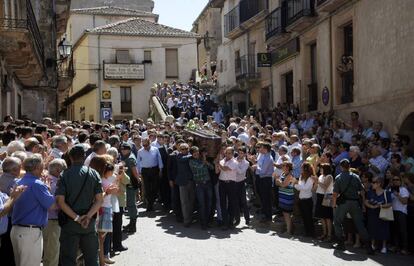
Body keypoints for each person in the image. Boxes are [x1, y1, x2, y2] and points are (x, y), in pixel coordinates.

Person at [56, 145, 103, 266]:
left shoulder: (64, 174)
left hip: (70, 223)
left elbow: (60, 201)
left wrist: (77, 218)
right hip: (89, 223)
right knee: (92, 259)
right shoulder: (94, 174)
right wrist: (87, 216)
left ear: (70, 158)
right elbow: (99, 200)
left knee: (68, 259)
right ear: (84, 157)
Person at [11, 154, 55, 266]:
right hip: (29, 233)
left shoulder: (19, 182)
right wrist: (48, 190)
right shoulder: (38, 184)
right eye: (41, 168)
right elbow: (52, 205)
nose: (42, 170)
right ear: (37, 168)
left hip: (19, 231)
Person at [332, 159, 374, 254]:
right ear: (349, 166)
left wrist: (334, 205)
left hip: (343, 203)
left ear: (341, 167)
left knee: (337, 222)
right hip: (355, 203)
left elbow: (335, 194)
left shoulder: (339, 177)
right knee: (360, 224)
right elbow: (362, 191)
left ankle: (341, 244)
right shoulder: (356, 177)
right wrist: (363, 204)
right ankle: (369, 247)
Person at [90, 155, 119, 266]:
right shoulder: (97, 179)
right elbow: (97, 197)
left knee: (101, 239)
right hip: (99, 210)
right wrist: (107, 192)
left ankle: (101, 261)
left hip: (103, 209)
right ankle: (101, 262)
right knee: (100, 239)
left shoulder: (100, 178)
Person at [43, 159, 67, 266]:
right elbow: (52, 205)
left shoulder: (48, 181)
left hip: (49, 221)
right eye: (64, 169)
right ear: (58, 170)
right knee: (51, 255)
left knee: (50, 254)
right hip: (52, 222)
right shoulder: (54, 184)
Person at [365, 177, 392, 254]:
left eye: (373, 182)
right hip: (372, 213)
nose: (372, 184)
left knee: (384, 228)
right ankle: (373, 244)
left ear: (379, 183)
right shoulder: (370, 192)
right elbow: (366, 201)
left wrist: (380, 206)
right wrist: (371, 206)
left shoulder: (386, 192)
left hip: (383, 213)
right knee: (372, 228)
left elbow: (390, 203)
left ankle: (384, 246)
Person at [188, 146, 213, 229]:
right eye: (194, 153)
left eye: (197, 152)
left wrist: (206, 161)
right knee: (202, 204)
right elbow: (200, 167)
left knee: (209, 203)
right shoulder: (191, 161)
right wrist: (204, 159)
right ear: (192, 154)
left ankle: (208, 220)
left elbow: (211, 167)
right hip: (199, 184)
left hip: (208, 183)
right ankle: (203, 223)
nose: (196, 154)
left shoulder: (202, 159)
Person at [137, 138, 163, 212]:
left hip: (154, 170)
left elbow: (159, 159)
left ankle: (152, 201)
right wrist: (139, 172)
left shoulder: (155, 149)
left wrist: (161, 169)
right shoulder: (140, 151)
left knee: (155, 187)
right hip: (145, 171)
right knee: (147, 188)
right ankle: (150, 204)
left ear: (149, 143)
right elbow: (138, 162)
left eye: (146, 144)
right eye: (143, 145)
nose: (145, 146)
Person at [216, 147, 238, 230]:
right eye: (226, 153)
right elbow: (217, 171)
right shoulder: (222, 161)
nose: (227, 154)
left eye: (229, 153)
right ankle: (225, 222)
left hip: (231, 184)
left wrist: (218, 162)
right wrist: (216, 164)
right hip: (222, 183)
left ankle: (230, 222)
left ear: (232, 154)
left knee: (231, 203)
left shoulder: (234, 162)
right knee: (222, 203)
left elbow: (225, 169)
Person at [120, 142, 140, 233]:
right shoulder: (126, 157)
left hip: (130, 184)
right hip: (127, 183)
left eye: (125, 149)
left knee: (131, 204)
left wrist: (138, 182)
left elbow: (135, 172)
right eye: (122, 149)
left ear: (129, 150)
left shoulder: (130, 158)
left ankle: (133, 225)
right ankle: (131, 223)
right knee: (129, 204)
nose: (123, 150)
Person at [252, 143, 274, 223]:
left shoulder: (268, 158)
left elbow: (263, 171)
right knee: (262, 196)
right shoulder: (262, 155)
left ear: (265, 149)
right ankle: (264, 212)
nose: (259, 149)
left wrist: (255, 166)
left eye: (261, 148)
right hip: (260, 179)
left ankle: (268, 216)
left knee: (266, 198)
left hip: (265, 179)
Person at [293, 162, 316, 237]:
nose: (301, 169)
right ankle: (307, 232)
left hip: (307, 200)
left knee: (308, 217)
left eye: (302, 168)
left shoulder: (310, 178)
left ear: (305, 169)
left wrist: (296, 184)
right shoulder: (301, 176)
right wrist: (296, 184)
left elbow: (306, 188)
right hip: (301, 200)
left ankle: (311, 233)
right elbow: (299, 188)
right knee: (304, 217)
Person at [389, 174, 410, 255]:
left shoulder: (404, 189)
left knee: (403, 231)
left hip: (401, 212)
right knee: (394, 231)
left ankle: (405, 248)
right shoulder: (391, 189)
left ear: (400, 181)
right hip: (393, 211)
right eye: (394, 180)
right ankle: (395, 247)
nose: (395, 181)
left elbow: (405, 201)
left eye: (397, 179)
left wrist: (398, 195)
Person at [175, 143, 195, 227]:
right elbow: (183, 159)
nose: (184, 150)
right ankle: (186, 220)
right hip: (182, 182)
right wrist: (192, 156)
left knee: (192, 201)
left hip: (191, 181)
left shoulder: (191, 155)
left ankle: (190, 217)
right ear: (180, 149)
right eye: (182, 149)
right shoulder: (178, 156)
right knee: (184, 202)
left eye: (186, 149)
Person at [314, 163, 334, 241]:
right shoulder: (320, 176)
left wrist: (317, 181)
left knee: (328, 217)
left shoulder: (329, 176)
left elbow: (325, 187)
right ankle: (324, 233)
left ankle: (329, 235)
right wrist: (315, 183)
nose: (320, 170)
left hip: (326, 197)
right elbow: (316, 188)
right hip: (319, 196)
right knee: (322, 217)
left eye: (322, 168)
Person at [275, 161, 295, 235]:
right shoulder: (283, 174)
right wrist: (279, 182)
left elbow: (284, 185)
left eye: (283, 166)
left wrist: (278, 181)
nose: (282, 167)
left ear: (287, 167)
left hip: (287, 197)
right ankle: (288, 229)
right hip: (282, 196)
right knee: (284, 213)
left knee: (287, 214)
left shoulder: (290, 175)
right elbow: (277, 183)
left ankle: (289, 231)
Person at [235, 146, 250, 226]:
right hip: (234, 183)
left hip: (241, 183)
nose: (240, 154)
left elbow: (241, 172)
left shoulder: (246, 163)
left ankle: (247, 219)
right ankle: (237, 220)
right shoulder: (233, 160)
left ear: (244, 154)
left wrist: (235, 164)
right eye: (239, 152)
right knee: (236, 202)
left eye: (242, 153)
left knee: (244, 202)